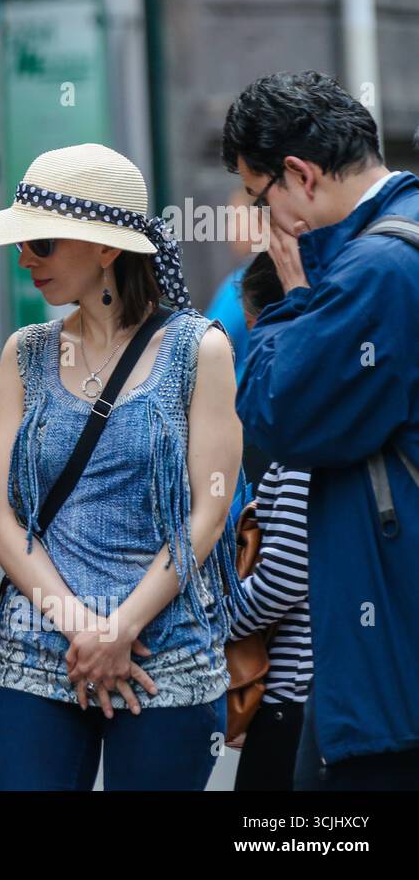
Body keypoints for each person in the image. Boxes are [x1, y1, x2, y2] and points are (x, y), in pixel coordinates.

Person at [0, 143, 243, 790]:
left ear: (107, 248)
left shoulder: (201, 350)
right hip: (37, 649)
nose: (23, 259)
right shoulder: (24, 353)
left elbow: (210, 509)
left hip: (164, 652)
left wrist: (122, 627)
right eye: (20, 244)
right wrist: (84, 627)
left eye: (42, 244)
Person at [224, 70, 419, 789]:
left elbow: (279, 413)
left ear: (299, 176)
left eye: (258, 194)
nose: (259, 217)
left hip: (391, 680)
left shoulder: (376, 268)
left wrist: (293, 299)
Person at [224, 251, 313, 792]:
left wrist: (215, 626)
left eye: (254, 330)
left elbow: (283, 576)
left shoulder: (306, 444)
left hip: (292, 698)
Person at [202, 189, 264, 383]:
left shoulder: (242, 282)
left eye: (235, 218)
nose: (229, 229)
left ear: (260, 219)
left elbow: (203, 344)